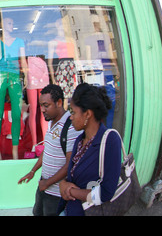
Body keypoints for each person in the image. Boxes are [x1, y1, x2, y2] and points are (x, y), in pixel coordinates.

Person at [59, 83, 122, 216]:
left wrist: (70, 191)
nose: (71, 117)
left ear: (87, 114)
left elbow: (106, 193)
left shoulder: (110, 141)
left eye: (73, 112)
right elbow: (74, 178)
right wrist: (63, 183)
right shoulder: (80, 141)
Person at [18, 84, 79, 216]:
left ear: (59, 103)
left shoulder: (71, 127)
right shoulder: (51, 122)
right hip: (44, 187)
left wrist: (47, 183)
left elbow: (70, 164)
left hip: (57, 192)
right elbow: (48, 151)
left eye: (46, 105)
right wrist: (33, 171)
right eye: (41, 106)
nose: (43, 110)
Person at [0, 17, 28, 160]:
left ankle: (15, 150)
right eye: (9, 23)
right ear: (2, 25)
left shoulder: (19, 42)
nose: (12, 25)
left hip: (15, 77)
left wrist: (26, 75)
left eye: (12, 23)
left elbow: (23, 60)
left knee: (17, 113)